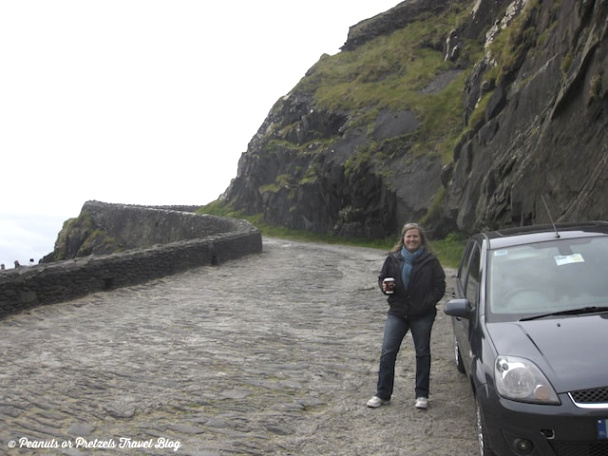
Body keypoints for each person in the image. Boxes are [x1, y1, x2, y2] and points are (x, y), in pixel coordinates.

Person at [367, 223, 446, 410]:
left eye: (415, 237)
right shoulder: (393, 258)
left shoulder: (430, 260)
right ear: (403, 239)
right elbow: (382, 278)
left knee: (422, 353)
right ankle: (383, 394)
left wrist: (427, 302)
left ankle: (421, 395)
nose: (411, 240)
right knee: (387, 352)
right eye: (408, 237)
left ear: (421, 239)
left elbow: (440, 285)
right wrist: (385, 288)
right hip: (398, 312)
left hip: (422, 314)